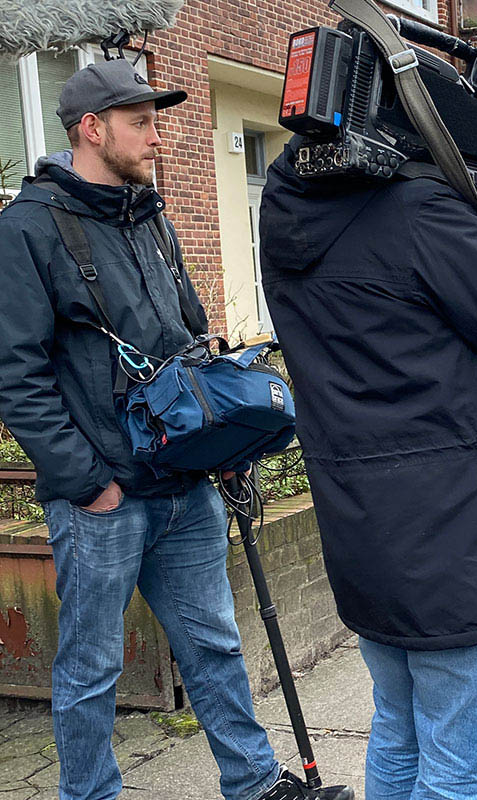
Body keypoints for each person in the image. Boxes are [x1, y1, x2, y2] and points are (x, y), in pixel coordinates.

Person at [0, 59, 317, 800]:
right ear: (91, 128)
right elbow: (16, 374)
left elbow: (189, 339)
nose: (156, 137)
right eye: (140, 122)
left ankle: (254, 783)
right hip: (102, 499)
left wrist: (227, 446)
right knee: (90, 668)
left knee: (215, 646)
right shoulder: (26, 229)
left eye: (156, 121)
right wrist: (88, 484)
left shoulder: (151, 217)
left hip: (185, 485)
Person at [256, 120, 477, 799]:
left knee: (401, 732)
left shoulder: (288, 210)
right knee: (462, 765)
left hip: (370, 534)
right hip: (461, 545)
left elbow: (415, 314)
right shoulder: (420, 214)